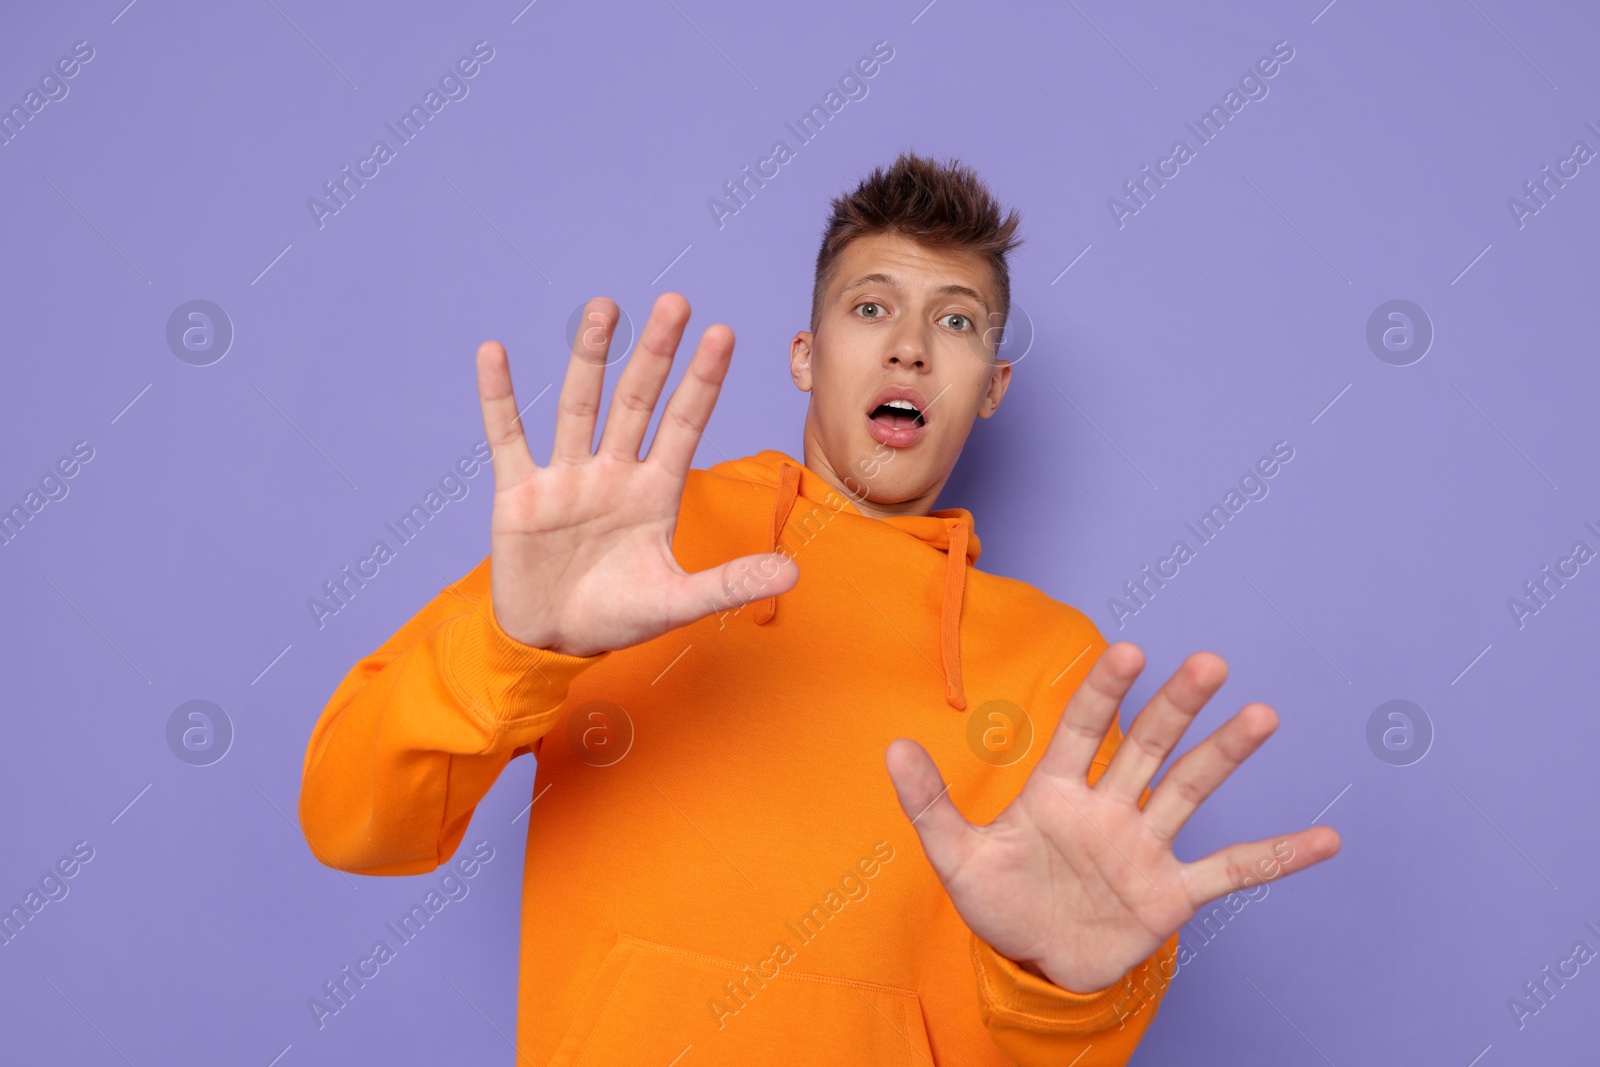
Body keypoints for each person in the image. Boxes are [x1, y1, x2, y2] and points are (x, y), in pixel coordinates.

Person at [297, 151, 1340, 1065]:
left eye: (958, 320)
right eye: (871, 306)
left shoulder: (1056, 662)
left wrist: (1054, 984)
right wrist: (513, 642)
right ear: (806, 357)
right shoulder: (624, 544)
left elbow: (1068, 1031)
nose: (910, 347)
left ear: (990, 387)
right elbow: (353, 824)